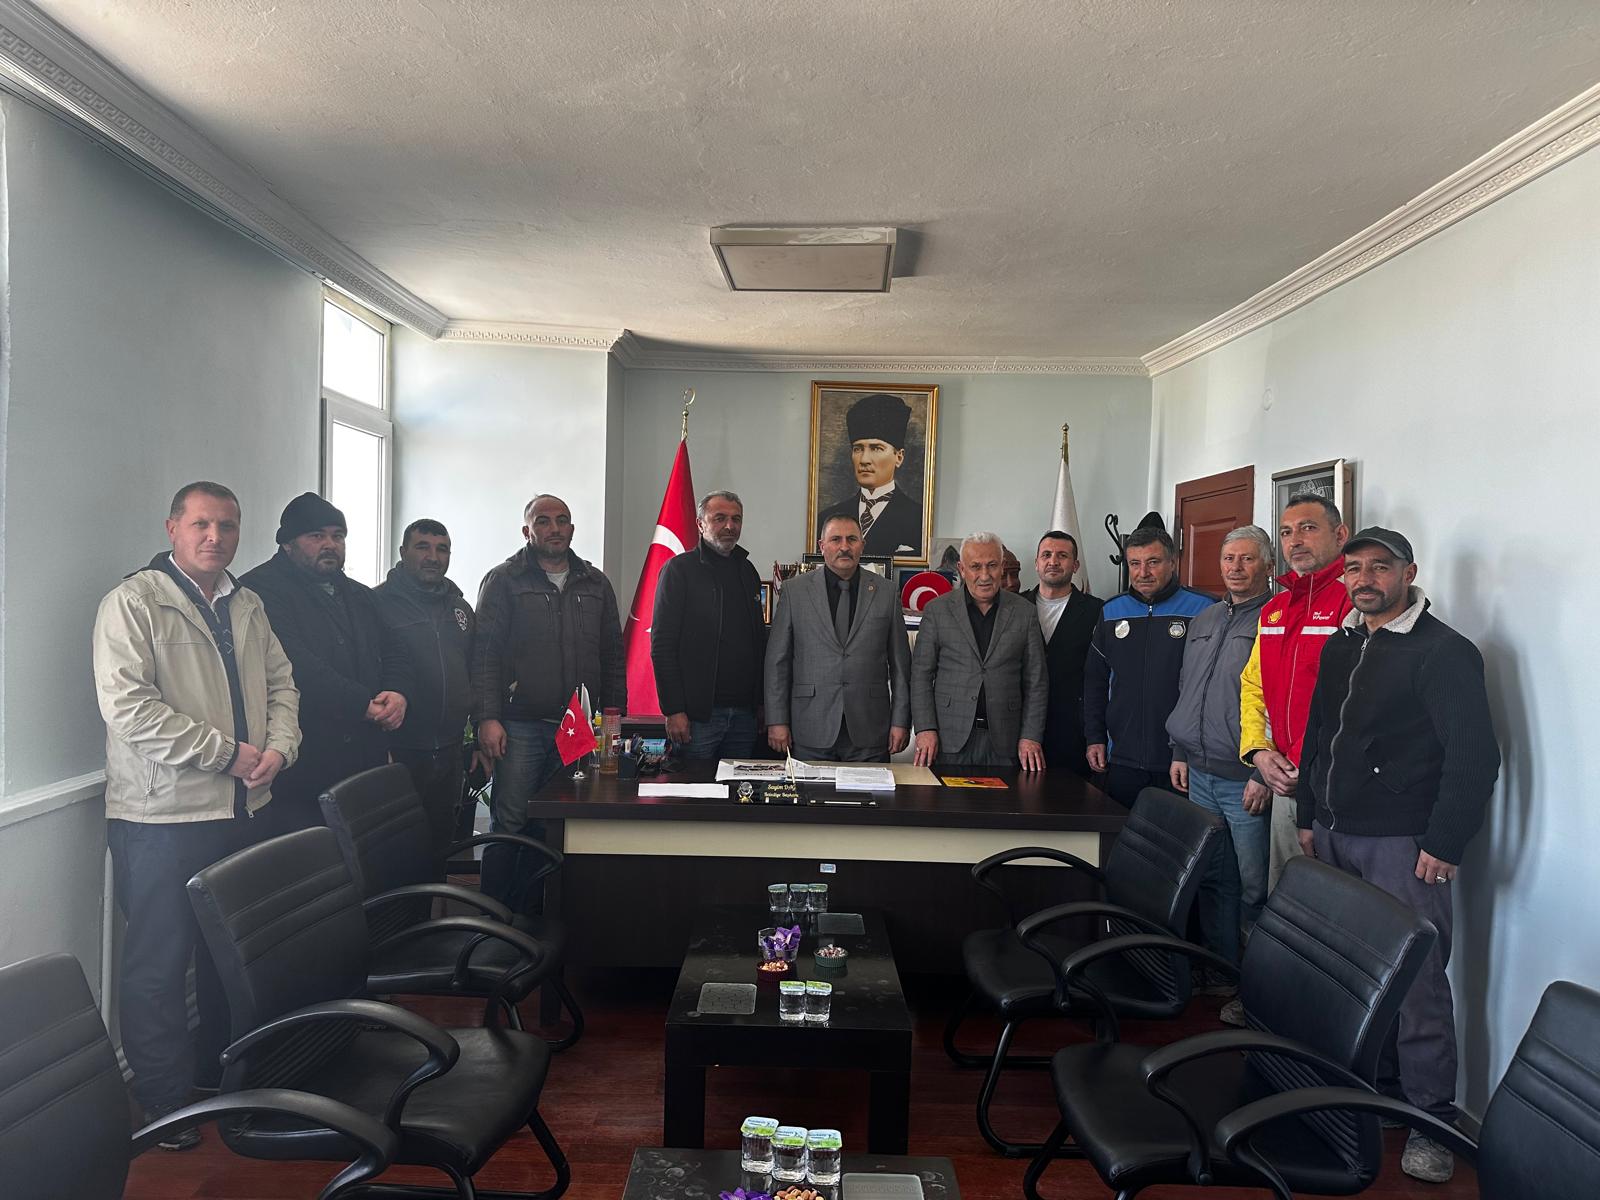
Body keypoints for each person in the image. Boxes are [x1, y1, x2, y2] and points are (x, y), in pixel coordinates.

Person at [93, 482, 300, 1147]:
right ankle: (163, 1106)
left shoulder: (248, 603)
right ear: (173, 528)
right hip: (161, 818)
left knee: (230, 959)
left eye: (228, 526)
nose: (216, 537)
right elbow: (130, 710)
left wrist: (280, 750)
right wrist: (228, 755)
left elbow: (283, 685)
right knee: (158, 966)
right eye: (202, 524)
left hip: (244, 809)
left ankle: (222, 1081)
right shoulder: (133, 603)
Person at [1297, 528, 1500, 1185]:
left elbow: (1475, 757)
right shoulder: (1342, 643)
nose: (1364, 579)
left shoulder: (1443, 652)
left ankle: (1431, 1122)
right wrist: (1307, 816)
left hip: (1403, 845)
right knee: (1355, 975)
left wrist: (1445, 841)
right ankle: (1379, 1093)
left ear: (1409, 572)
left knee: (1418, 988)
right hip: (1334, 833)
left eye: (1379, 567)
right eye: (1354, 568)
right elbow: (1319, 736)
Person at [474, 494, 626, 911]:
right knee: (511, 822)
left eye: (562, 520)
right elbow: (484, 654)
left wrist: (614, 717)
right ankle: (494, 923)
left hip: (577, 725)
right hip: (520, 724)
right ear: (527, 530)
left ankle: (542, 915)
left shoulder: (595, 583)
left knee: (562, 822)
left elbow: (613, 654)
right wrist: (487, 717)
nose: (554, 528)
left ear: (572, 529)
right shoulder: (504, 580)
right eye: (543, 521)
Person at [240, 493, 407, 835]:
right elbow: (296, 666)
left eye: (337, 536)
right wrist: (362, 705)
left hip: (363, 758)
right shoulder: (258, 592)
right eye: (316, 536)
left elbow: (394, 650)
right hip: (303, 763)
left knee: (366, 852)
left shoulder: (360, 595)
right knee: (309, 857)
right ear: (287, 543)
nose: (330, 544)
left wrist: (396, 691)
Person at [1165, 526, 1275, 973]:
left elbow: (1284, 702)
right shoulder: (1206, 618)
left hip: (1244, 778)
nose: (1236, 567)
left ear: (1268, 565)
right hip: (1199, 772)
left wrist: (1263, 773)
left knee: (1254, 886)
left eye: (1247, 558)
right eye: (1229, 558)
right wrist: (1179, 751)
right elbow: (1186, 687)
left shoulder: (1276, 619)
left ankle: (1258, 984)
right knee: (1212, 878)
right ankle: (1220, 973)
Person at [1238, 492, 1352, 892]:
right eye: (1286, 532)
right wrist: (1259, 752)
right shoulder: (1275, 608)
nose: (1295, 540)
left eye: (1308, 528)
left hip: (1329, 783)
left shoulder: (1354, 600)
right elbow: (1254, 685)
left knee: (1331, 903)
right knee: (1286, 896)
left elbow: (1348, 698)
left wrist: (1296, 764)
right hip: (1284, 782)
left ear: (1340, 535)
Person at [1083, 526, 1213, 805]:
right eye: (1135, 563)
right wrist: (1094, 737)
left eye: (1153, 562)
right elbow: (1095, 681)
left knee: (1179, 832)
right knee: (1121, 830)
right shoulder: (1111, 611)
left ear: (1172, 562)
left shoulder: (1204, 609)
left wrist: (1188, 752)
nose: (1143, 572)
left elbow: (1212, 689)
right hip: (1121, 757)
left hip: (1181, 761)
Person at [765, 514, 912, 761]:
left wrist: (901, 721)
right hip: (810, 726)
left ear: (862, 545)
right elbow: (777, 662)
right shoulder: (794, 591)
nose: (844, 547)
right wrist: (777, 720)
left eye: (852, 539)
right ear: (822, 546)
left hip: (870, 729)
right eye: (836, 539)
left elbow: (901, 665)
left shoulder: (886, 592)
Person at [374, 518, 476, 871]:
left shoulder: (461, 608)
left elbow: (475, 671)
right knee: (394, 852)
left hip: (449, 751)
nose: (433, 557)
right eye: (423, 547)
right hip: (398, 750)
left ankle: (434, 908)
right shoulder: (375, 604)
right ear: (403, 552)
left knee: (439, 847)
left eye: (442, 549)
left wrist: (475, 734)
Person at [910, 532, 1047, 769]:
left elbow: (1036, 681)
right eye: (976, 566)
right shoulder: (937, 611)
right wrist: (925, 728)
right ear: (962, 569)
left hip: (1007, 741)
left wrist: (1031, 736)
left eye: (992, 565)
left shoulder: (1025, 612)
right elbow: (920, 675)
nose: (985, 575)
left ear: (1001, 567)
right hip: (947, 739)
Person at [652, 490, 768, 759]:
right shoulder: (678, 570)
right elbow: (662, 646)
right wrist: (674, 710)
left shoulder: (747, 572)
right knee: (694, 785)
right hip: (698, 717)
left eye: (736, 519)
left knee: (739, 784)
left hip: (744, 715)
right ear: (700, 524)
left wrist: (762, 702)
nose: (729, 526)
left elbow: (758, 642)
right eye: (719, 518)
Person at [1021, 531, 1103, 774]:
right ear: (1036, 563)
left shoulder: (1097, 610)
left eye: (1062, 556)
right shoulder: (1014, 606)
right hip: (1020, 728)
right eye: (1046, 555)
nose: (1053, 561)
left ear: (1075, 565)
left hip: (1072, 733)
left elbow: (1100, 676)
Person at [815, 392, 924, 559]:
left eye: (876, 448)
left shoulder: (917, 518)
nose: (864, 460)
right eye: (858, 449)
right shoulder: (826, 518)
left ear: (899, 457)